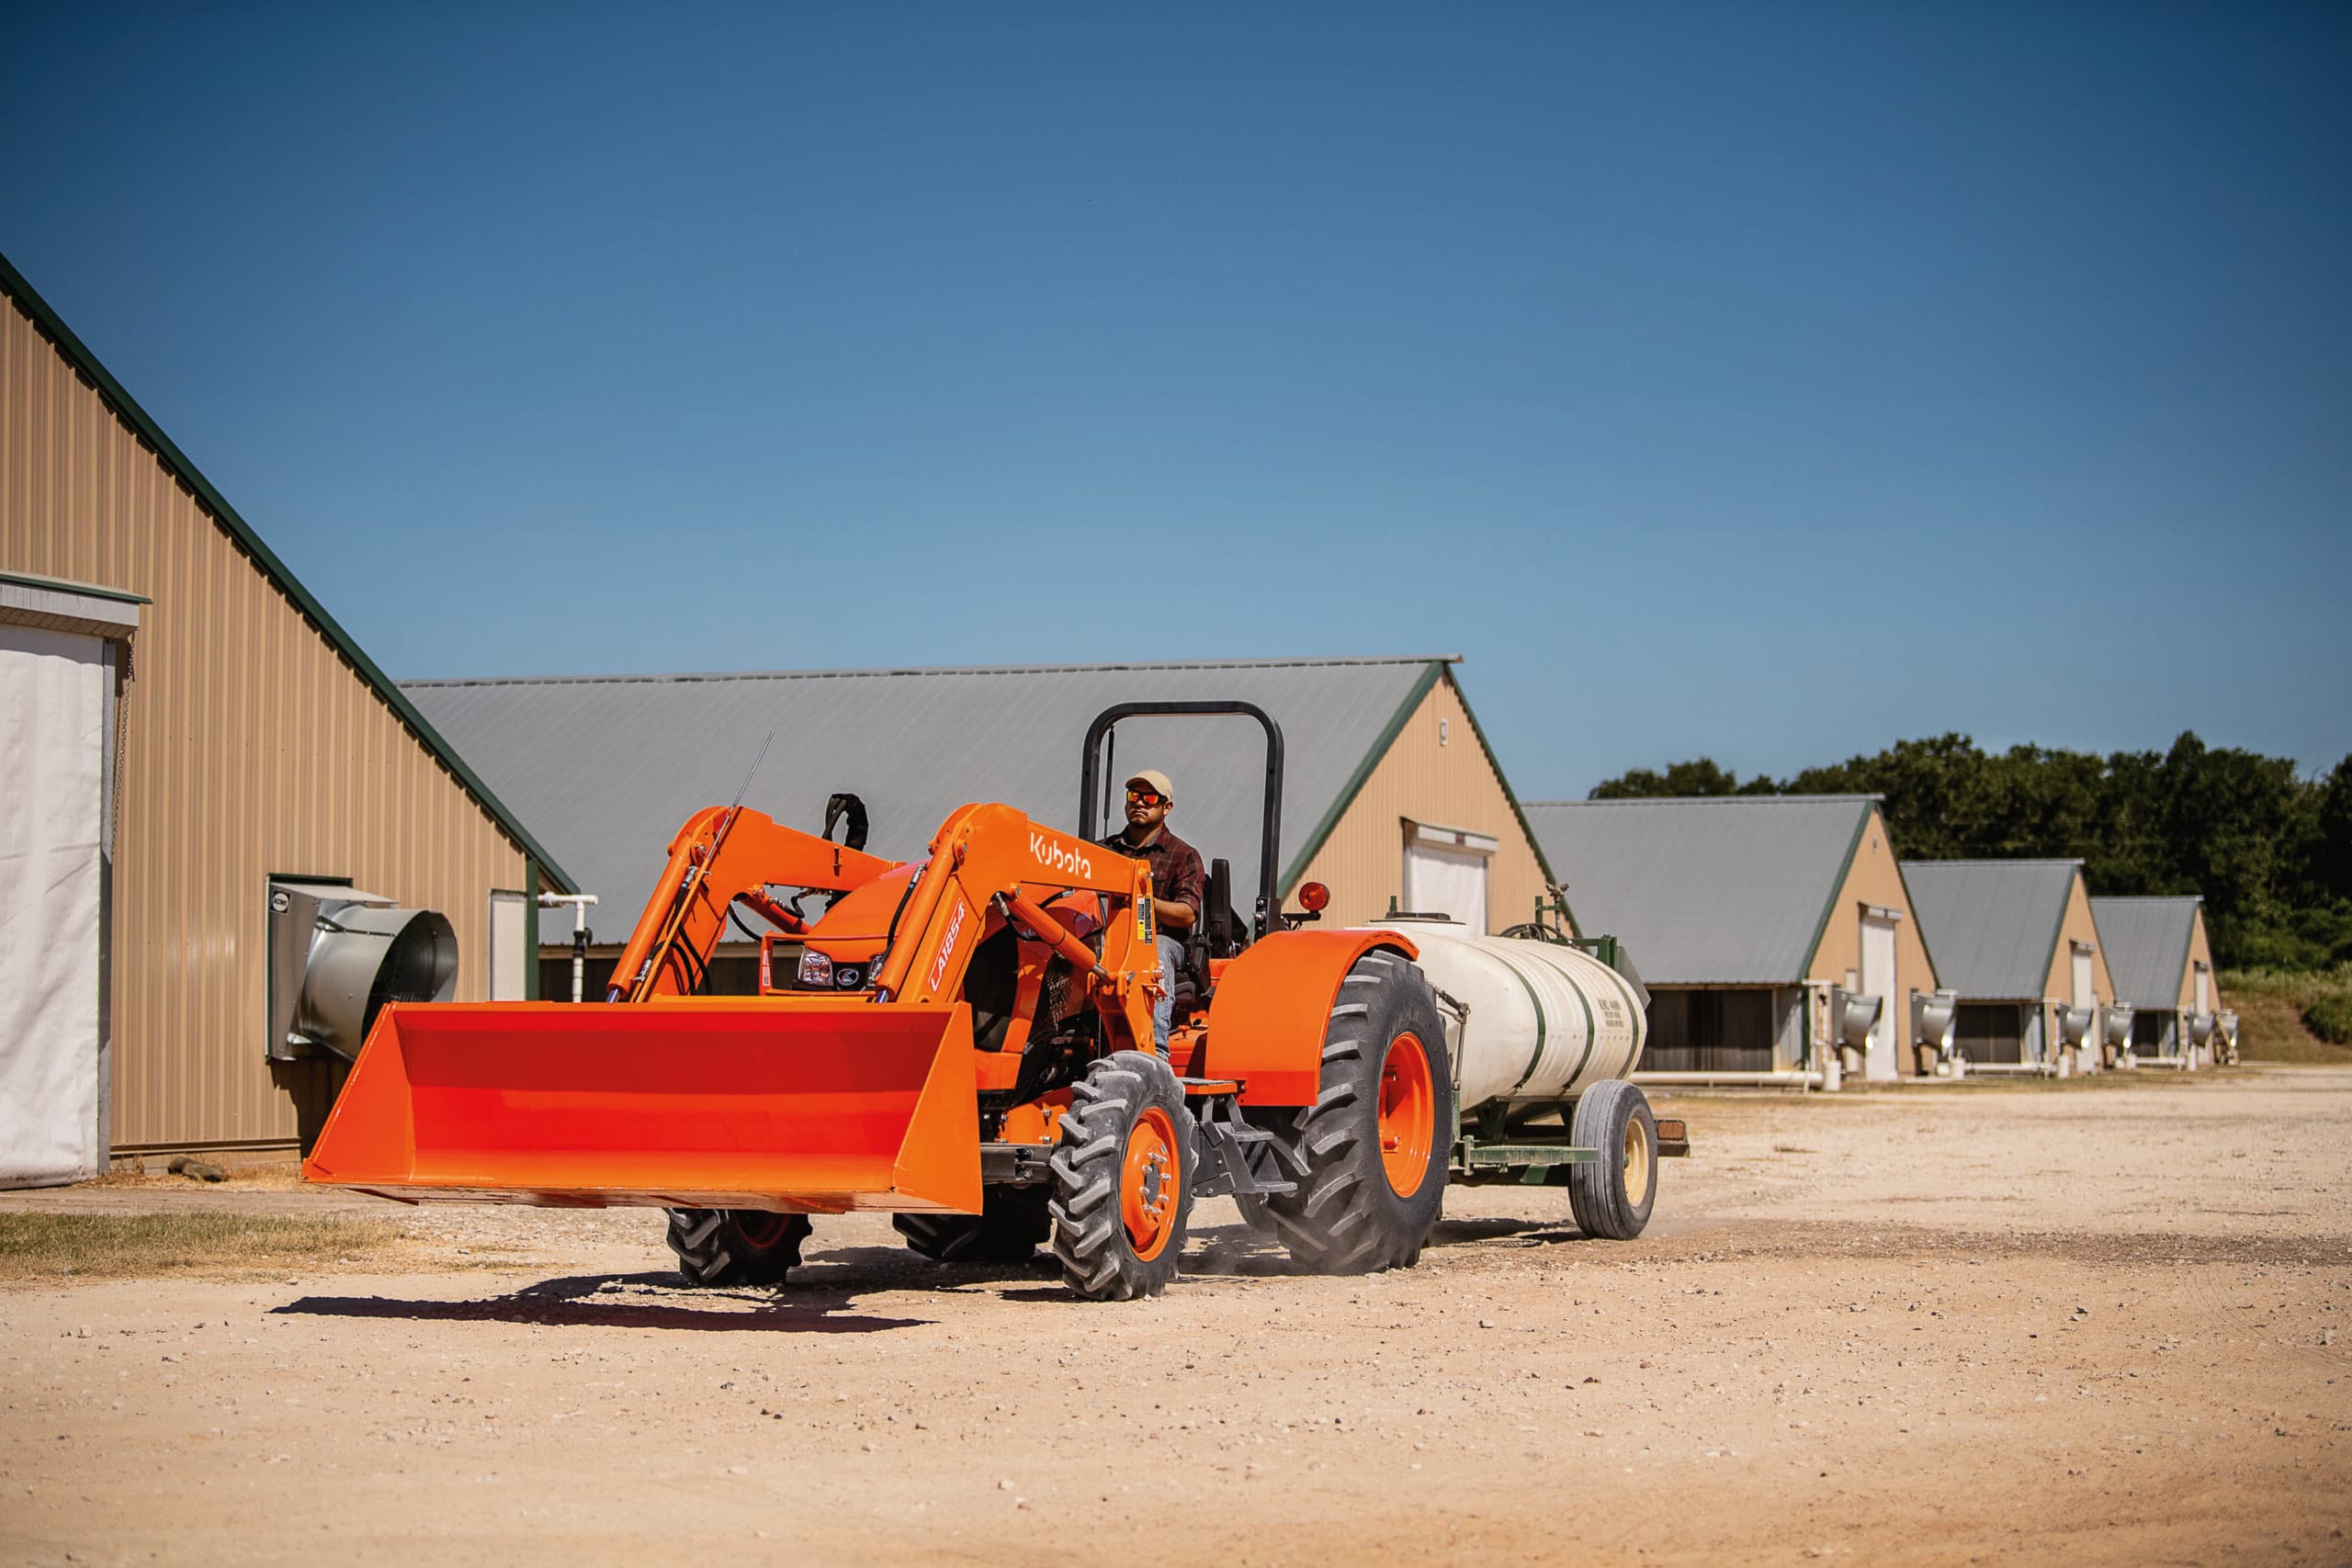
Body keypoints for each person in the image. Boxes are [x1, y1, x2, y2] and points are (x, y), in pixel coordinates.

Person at [1099, 768, 1204, 1052]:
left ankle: (1153, 1050)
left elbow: (1187, 913)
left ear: (1166, 807)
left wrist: (1142, 901)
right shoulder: (1102, 851)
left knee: (1153, 949)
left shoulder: (1184, 855)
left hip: (1162, 941)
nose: (1140, 803)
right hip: (1103, 939)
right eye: (1134, 796)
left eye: (1149, 797)